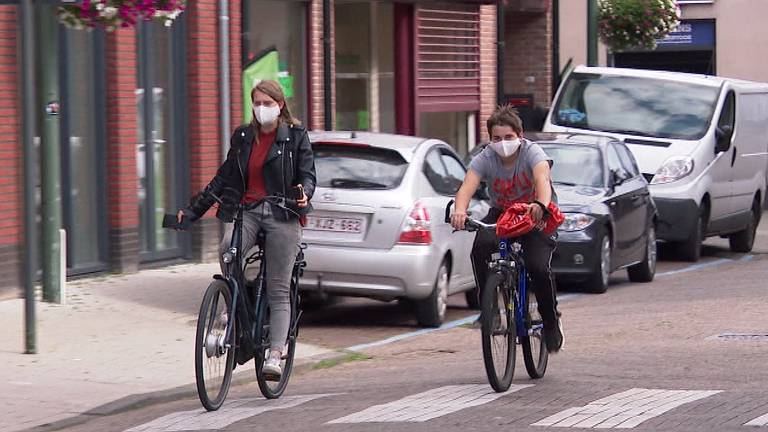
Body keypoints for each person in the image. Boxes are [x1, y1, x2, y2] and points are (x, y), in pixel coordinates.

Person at [177, 80, 316, 375]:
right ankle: (234, 304)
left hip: (283, 213)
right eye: (257, 103)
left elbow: (308, 174)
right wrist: (192, 211)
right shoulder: (243, 136)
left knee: (278, 287)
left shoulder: (295, 136)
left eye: (267, 103)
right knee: (229, 248)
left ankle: (275, 353)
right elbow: (223, 178)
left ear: (280, 105)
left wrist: (303, 192)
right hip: (248, 211)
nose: (261, 108)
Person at [450, 105, 564, 353]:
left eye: (509, 137)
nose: (502, 143)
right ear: (490, 139)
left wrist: (540, 205)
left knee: (536, 266)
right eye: (496, 138)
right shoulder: (485, 157)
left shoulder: (533, 152)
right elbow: (467, 186)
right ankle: (490, 310)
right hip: (503, 213)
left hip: (534, 212)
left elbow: (542, 180)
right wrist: (459, 210)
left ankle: (550, 321)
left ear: (520, 135)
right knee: (480, 248)